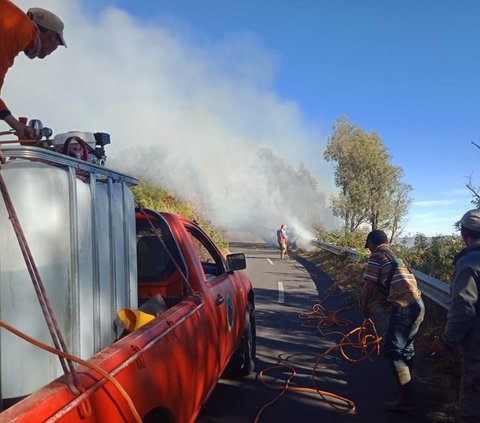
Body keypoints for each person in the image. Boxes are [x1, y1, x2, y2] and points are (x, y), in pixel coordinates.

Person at [361, 229, 425, 412]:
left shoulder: (376, 257)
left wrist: (364, 307)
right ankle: (407, 385)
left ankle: (406, 400)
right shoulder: (396, 257)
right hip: (418, 305)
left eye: (369, 247)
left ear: (372, 243)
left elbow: (368, 287)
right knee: (407, 348)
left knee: (393, 350)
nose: (370, 251)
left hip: (404, 308)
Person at [430, 209, 480, 423]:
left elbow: (463, 308)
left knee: (471, 410)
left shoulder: (469, 262)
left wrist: (446, 341)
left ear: (464, 234)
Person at [0, 1, 66, 139]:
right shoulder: (20, 30)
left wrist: (17, 125)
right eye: (58, 44)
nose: (53, 50)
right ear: (50, 36)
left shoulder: (14, 20)